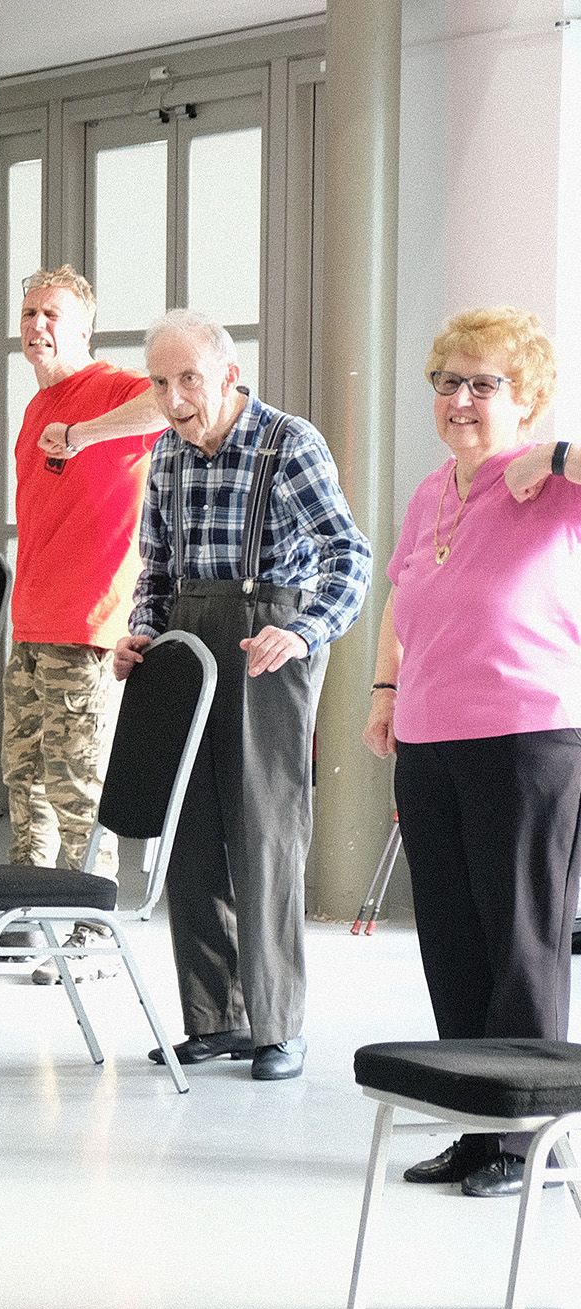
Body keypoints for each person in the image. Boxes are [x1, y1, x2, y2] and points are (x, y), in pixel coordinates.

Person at [79, 309, 369, 1083]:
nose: (173, 398)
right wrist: (141, 632)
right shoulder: (168, 456)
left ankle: (277, 1025)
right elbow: (155, 573)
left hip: (267, 639)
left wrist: (305, 632)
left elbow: (350, 556)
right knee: (191, 832)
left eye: (189, 380)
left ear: (229, 376)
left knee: (264, 835)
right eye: (161, 382)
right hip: (185, 641)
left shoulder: (289, 442)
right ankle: (214, 1019)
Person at [362, 307, 580, 1197]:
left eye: (483, 383)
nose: (460, 398)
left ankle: (528, 1139)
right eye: (448, 381)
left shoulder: (550, 486)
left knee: (520, 944)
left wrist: (558, 456)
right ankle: (474, 1120)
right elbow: (402, 602)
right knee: (452, 940)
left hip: (527, 737)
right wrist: (384, 693)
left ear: (523, 398)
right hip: (430, 738)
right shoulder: (430, 493)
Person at [0, 267, 160, 982]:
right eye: (29, 312)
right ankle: (24, 919)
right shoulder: (35, 410)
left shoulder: (114, 388)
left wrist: (86, 432)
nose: (37, 325)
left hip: (90, 627)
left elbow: (167, 404)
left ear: (84, 327)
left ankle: (88, 931)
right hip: (31, 623)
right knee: (27, 782)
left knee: (78, 784)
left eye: (53, 314)